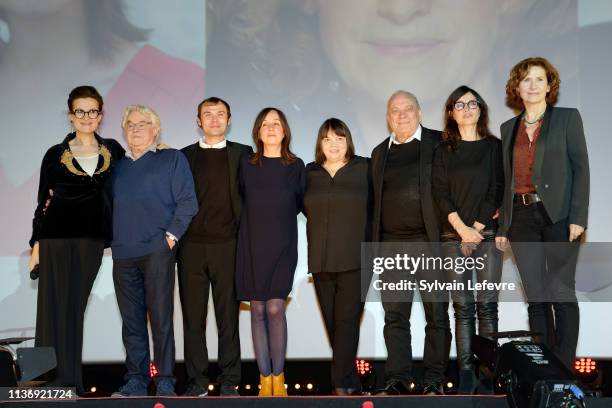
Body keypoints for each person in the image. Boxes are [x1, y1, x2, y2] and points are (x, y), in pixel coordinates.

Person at [28, 85, 124, 394]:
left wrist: (159, 149)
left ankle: (70, 382)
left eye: (92, 111)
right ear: (71, 116)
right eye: (80, 111)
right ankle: (39, 382)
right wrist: (36, 245)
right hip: (55, 238)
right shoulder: (55, 154)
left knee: (74, 309)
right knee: (48, 310)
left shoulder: (113, 150)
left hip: (92, 241)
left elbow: (134, 173)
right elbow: (43, 201)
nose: (86, 116)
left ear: (100, 116)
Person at [496, 57, 589, 369]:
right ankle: (546, 368)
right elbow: (505, 180)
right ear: (517, 88)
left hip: (559, 215)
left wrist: (578, 217)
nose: (532, 85)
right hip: (521, 219)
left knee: (561, 292)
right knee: (536, 297)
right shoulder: (508, 128)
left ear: (550, 86)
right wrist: (503, 226)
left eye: (539, 79)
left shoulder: (566, 119)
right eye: (526, 80)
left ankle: (564, 368)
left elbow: (581, 169)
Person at [111, 105, 198, 397]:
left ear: (156, 129)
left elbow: (188, 202)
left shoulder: (172, 158)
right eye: (130, 124)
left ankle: (164, 381)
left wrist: (170, 238)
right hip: (123, 254)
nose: (135, 129)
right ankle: (136, 379)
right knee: (131, 322)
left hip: (157, 252)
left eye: (143, 123)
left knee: (160, 320)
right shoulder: (115, 166)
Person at [371, 91, 451, 395]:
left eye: (408, 109)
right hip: (390, 248)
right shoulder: (380, 153)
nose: (401, 115)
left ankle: (434, 379)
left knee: (437, 315)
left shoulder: (439, 143)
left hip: (428, 244)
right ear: (388, 116)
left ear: (419, 112)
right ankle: (398, 379)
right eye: (395, 110)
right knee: (394, 318)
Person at [178, 97, 252, 397]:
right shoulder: (182, 157)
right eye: (207, 115)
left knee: (228, 319)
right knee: (193, 321)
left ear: (229, 119)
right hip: (191, 248)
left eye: (220, 114)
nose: (214, 120)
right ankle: (196, 382)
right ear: (198, 121)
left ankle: (230, 381)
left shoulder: (245, 155)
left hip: (229, 246)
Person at [432, 86, 504, 394]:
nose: (466, 108)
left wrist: (475, 228)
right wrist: (462, 230)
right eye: (459, 104)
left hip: (486, 235)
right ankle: (466, 377)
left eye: (472, 103)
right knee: (462, 308)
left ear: (481, 109)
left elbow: (496, 190)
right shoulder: (442, 150)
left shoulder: (494, 147)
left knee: (487, 306)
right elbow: (440, 194)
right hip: (453, 236)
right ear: (451, 112)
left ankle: (489, 375)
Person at [235, 107, 305, 396]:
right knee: (258, 310)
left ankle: (279, 377)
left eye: (276, 123)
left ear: (285, 130)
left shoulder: (296, 166)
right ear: (258, 131)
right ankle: (266, 383)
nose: (271, 128)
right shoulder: (247, 164)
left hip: (283, 245)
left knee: (275, 307)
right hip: (251, 245)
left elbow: (301, 202)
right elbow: (240, 199)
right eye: (265, 124)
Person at [303, 118, 371, 395]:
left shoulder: (365, 167)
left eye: (340, 138)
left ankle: (340, 386)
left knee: (346, 322)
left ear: (348, 142)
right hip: (321, 260)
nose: (334, 144)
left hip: (356, 259)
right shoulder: (308, 173)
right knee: (335, 325)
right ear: (320, 143)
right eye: (327, 139)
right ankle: (350, 382)